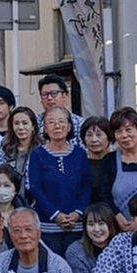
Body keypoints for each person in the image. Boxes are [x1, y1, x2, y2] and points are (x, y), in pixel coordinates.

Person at [26, 107, 93, 258]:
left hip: (77, 226)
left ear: (69, 127)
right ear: (45, 128)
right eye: (51, 122)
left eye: (61, 121)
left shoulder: (80, 153)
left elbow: (87, 186)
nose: (57, 126)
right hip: (48, 226)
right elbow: (35, 188)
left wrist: (78, 212)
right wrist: (55, 215)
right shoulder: (37, 154)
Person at [35, 75, 85, 146]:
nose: (49, 98)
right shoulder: (35, 123)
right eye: (45, 94)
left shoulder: (79, 124)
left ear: (65, 96)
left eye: (54, 93)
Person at [0, 106, 41, 184]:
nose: (20, 128)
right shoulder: (5, 146)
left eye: (25, 123)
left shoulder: (42, 148)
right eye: (16, 123)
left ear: (33, 126)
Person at [80, 116, 114, 202]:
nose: (94, 140)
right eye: (89, 135)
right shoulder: (79, 163)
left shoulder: (116, 161)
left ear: (109, 137)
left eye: (99, 135)